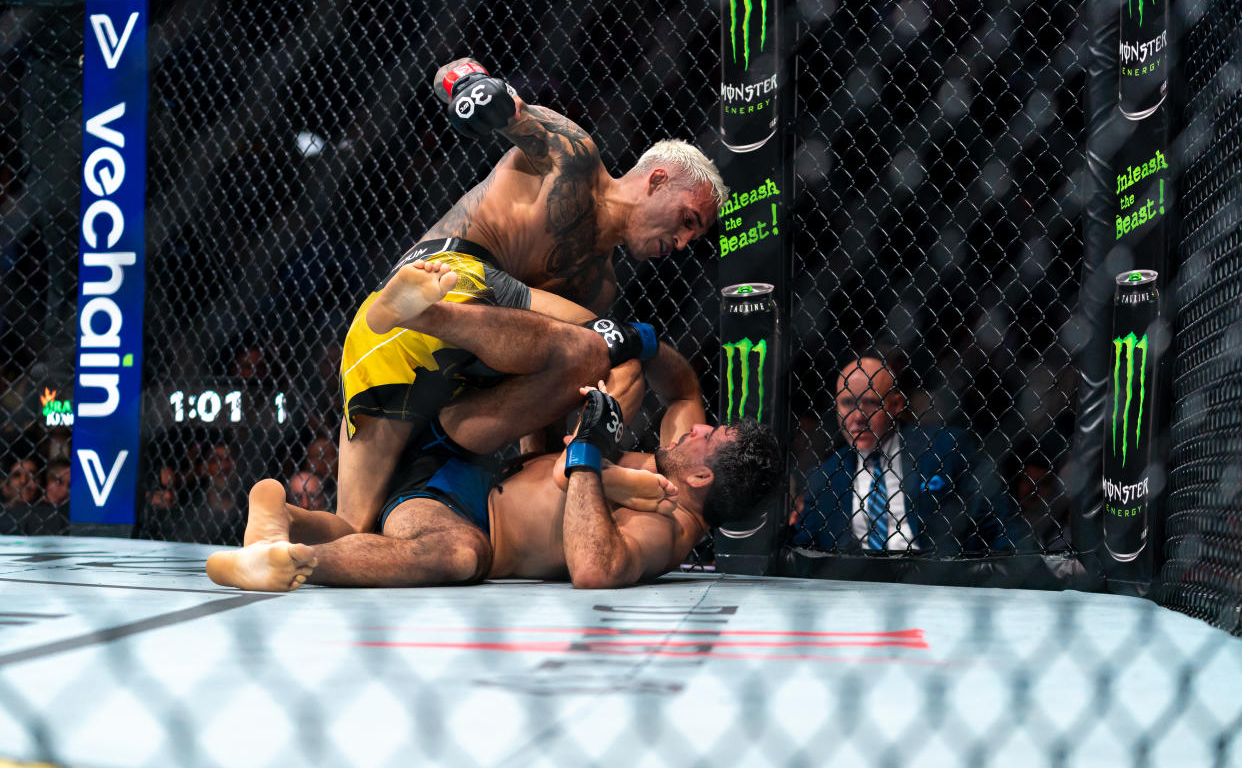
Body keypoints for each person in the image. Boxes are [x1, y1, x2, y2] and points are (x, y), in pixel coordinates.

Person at [281, 56, 728, 550]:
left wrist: (532, 471)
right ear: (658, 180)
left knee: (353, 526)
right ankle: (587, 461)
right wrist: (468, 85)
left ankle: (270, 522)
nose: (684, 242)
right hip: (448, 272)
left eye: (695, 235)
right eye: (688, 220)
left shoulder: (599, 282)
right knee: (615, 351)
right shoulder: (577, 159)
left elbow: (552, 387)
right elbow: (477, 90)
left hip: (399, 342)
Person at [207, 262, 781, 591]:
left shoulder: (669, 530)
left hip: (455, 504)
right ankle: (432, 314)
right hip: (476, 442)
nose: (700, 429)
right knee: (602, 360)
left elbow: (595, 568)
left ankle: (284, 535)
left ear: (704, 477)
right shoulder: (674, 457)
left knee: (459, 556)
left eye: (712, 437)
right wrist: (642, 339)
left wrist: (587, 452)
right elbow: (680, 386)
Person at [791, 354, 1014, 554]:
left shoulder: (946, 448)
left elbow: (996, 520)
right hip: (858, 585)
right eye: (847, 403)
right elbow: (804, 547)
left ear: (896, 404)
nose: (858, 417)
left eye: (870, 403)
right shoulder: (824, 477)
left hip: (932, 579)